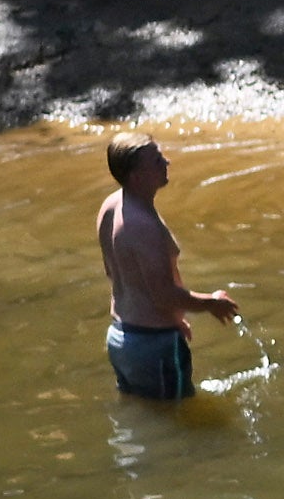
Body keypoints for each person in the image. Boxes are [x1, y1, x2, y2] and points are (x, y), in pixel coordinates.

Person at [94, 133, 242, 400]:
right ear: (136, 177)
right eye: (157, 160)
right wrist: (211, 303)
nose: (167, 162)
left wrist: (174, 319)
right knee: (177, 425)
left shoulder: (111, 207)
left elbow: (115, 272)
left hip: (121, 338)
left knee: (141, 415)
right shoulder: (144, 227)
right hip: (154, 346)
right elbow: (163, 295)